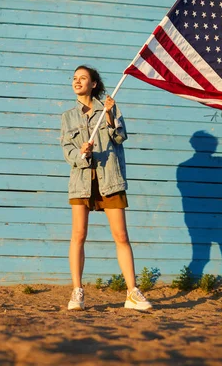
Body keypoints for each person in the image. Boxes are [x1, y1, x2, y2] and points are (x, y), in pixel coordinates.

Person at [60, 65, 152, 311]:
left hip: (109, 178)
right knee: (78, 235)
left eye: (83, 78)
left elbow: (120, 138)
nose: (77, 82)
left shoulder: (109, 108)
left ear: (94, 84)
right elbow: (68, 153)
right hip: (81, 182)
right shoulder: (68, 117)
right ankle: (77, 291)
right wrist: (81, 155)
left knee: (121, 236)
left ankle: (132, 292)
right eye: (75, 78)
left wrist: (110, 115)